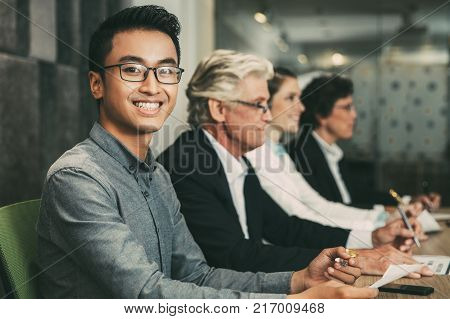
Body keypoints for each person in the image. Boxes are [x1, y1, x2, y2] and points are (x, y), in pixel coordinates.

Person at [36, 5, 375, 299]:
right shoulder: (78, 178)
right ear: (96, 83)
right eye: (132, 69)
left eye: (166, 70)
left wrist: (298, 280)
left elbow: (197, 276)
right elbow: (147, 294)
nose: (152, 86)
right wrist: (297, 302)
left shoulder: (157, 174)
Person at [158, 50, 424, 278]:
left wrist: (372, 239)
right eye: (259, 105)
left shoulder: (238, 160)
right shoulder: (188, 164)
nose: (268, 115)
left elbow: (286, 228)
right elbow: (233, 256)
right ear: (218, 109)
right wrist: (354, 258)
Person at [245, 67, 433, 278]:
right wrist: (374, 231)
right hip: (284, 262)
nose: (301, 107)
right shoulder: (266, 154)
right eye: (290, 98)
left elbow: (319, 204)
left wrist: (380, 224)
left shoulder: (277, 152)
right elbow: (297, 220)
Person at [286, 74, 441, 210]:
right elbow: (328, 209)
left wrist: (408, 200)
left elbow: (358, 194)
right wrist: (384, 215)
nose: (354, 115)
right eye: (347, 108)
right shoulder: (301, 153)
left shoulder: (332, 152)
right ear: (321, 114)